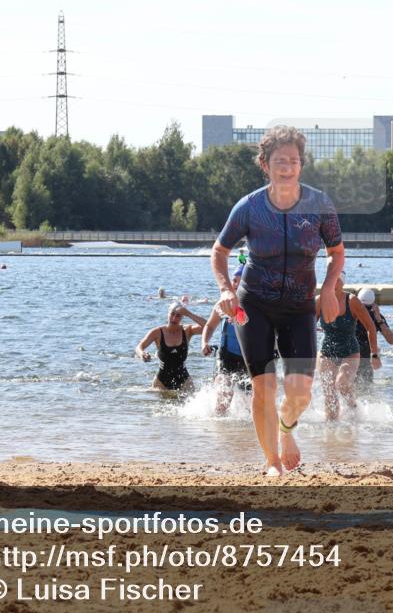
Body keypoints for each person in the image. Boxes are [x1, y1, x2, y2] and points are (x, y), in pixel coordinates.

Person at [211, 125, 345, 476]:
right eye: (280, 161)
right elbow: (220, 250)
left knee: (301, 393)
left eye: (294, 161)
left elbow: (336, 252)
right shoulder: (250, 207)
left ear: (302, 164)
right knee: (264, 386)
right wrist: (226, 289)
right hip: (254, 304)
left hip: (299, 307)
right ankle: (272, 462)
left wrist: (329, 288)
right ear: (265, 164)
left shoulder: (319, 205)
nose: (287, 168)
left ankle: (286, 431)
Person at [315, 271, 380, 421]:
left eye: (336, 280)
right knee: (329, 392)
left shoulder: (352, 301)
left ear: (343, 282)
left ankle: (355, 410)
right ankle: (331, 428)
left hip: (349, 351)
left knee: (342, 383)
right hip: (326, 350)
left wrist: (374, 354)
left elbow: (371, 327)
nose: (333, 283)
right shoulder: (320, 301)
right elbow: (308, 326)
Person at [201, 266, 251, 415]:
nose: (236, 284)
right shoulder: (222, 304)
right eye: (234, 280)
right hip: (227, 356)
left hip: (248, 358)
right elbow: (209, 326)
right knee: (224, 390)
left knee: (250, 405)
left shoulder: (256, 307)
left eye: (240, 281)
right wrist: (204, 342)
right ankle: (219, 425)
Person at [135, 303, 206, 395]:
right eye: (172, 314)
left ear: (182, 317)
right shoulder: (157, 332)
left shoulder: (187, 330)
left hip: (184, 380)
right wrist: (142, 354)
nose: (174, 318)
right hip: (161, 381)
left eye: (178, 315)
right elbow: (139, 347)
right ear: (168, 314)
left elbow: (208, 326)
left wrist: (189, 314)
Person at [354, 287, 393, 386]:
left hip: (365, 357)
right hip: (352, 355)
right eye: (363, 307)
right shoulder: (351, 314)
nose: (366, 311)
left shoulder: (376, 317)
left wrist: (379, 319)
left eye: (368, 308)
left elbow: (391, 340)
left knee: (365, 387)